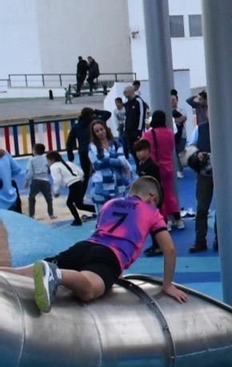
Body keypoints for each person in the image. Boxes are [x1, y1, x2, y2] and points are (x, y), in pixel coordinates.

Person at [14, 177, 186, 314]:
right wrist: (167, 284)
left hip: (84, 246)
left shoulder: (110, 204)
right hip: (111, 255)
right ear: (152, 197)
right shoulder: (151, 211)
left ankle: (5, 273)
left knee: (24, 274)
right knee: (89, 289)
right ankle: (55, 274)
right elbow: (169, 249)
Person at [84, 118, 133, 207]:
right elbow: (97, 165)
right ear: (94, 134)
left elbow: (122, 161)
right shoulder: (92, 146)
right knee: (103, 213)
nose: (100, 132)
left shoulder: (116, 143)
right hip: (101, 184)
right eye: (97, 131)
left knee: (119, 210)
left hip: (118, 182)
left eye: (101, 129)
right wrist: (114, 158)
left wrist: (106, 159)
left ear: (106, 129)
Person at [145, 110, 180, 228]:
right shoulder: (170, 133)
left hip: (156, 167)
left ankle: (165, 220)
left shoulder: (149, 134)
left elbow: (146, 150)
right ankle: (177, 218)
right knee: (170, 194)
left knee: (159, 195)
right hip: (169, 166)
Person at [188, 113, 214, 253]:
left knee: (224, 209)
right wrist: (197, 154)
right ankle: (200, 241)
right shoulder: (200, 128)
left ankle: (220, 239)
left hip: (225, 174)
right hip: (204, 172)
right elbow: (191, 146)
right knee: (202, 208)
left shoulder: (231, 126)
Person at [48, 151, 87, 226]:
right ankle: (97, 211)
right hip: (79, 182)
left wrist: (56, 191)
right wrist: (80, 179)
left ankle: (77, 220)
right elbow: (80, 172)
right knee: (79, 205)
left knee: (69, 203)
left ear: (52, 159)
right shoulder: (67, 163)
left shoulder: (53, 167)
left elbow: (57, 179)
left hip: (73, 185)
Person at [26, 147, 54, 220]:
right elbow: (49, 169)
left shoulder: (31, 160)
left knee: (31, 198)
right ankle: (51, 214)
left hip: (35, 180)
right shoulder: (46, 159)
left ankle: (31, 215)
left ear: (34, 151)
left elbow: (30, 172)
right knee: (49, 199)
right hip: (45, 180)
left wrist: (27, 181)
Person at [121, 83, 147, 152]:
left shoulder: (138, 101)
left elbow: (142, 115)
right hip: (128, 131)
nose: (124, 93)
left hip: (136, 131)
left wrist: (139, 130)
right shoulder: (127, 103)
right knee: (131, 150)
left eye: (125, 92)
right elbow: (126, 117)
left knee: (138, 149)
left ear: (131, 91)